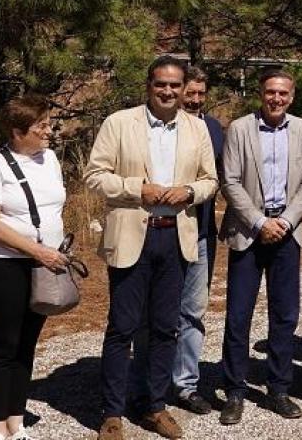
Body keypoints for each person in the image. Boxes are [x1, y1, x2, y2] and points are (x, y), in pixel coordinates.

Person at [85, 56, 220, 440]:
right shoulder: (119, 123)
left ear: (183, 88)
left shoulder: (196, 127)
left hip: (175, 237)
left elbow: (211, 180)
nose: (168, 91)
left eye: (175, 85)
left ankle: (155, 406)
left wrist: (190, 191)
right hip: (132, 236)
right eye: (161, 84)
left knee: (165, 327)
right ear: (149, 85)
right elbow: (94, 176)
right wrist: (136, 189)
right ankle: (112, 413)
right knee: (122, 327)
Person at [219, 67, 302, 425]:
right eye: (271, 92)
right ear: (261, 93)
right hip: (249, 232)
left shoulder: (301, 129)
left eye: (283, 93)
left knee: (284, 314)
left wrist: (287, 221)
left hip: (286, 232)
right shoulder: (240, 128)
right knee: (238, 315)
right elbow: (230, 180)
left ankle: (278, 388)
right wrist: (260, 223)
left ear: (292, 96)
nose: (276, 98)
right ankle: (234, 390)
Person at [0, 94, 70, 440]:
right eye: (40, 126)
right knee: (5, 345)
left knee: (27, 344)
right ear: (17, 131)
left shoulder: (50, 160)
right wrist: (36, 250)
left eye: (48, 124)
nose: (48, 131)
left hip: (45, 265)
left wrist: (51, 250)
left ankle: (16, 421)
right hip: (7, 267)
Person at [154, 64, 226, 414]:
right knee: (157, 311)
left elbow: (221, 178)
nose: (195, 99)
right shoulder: (157, 128)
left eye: (201, 94)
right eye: (190, 93)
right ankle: (152, 382)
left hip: (201, 233)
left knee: (193, 312)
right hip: (161, 230)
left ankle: (185, 384)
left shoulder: (213, 128)